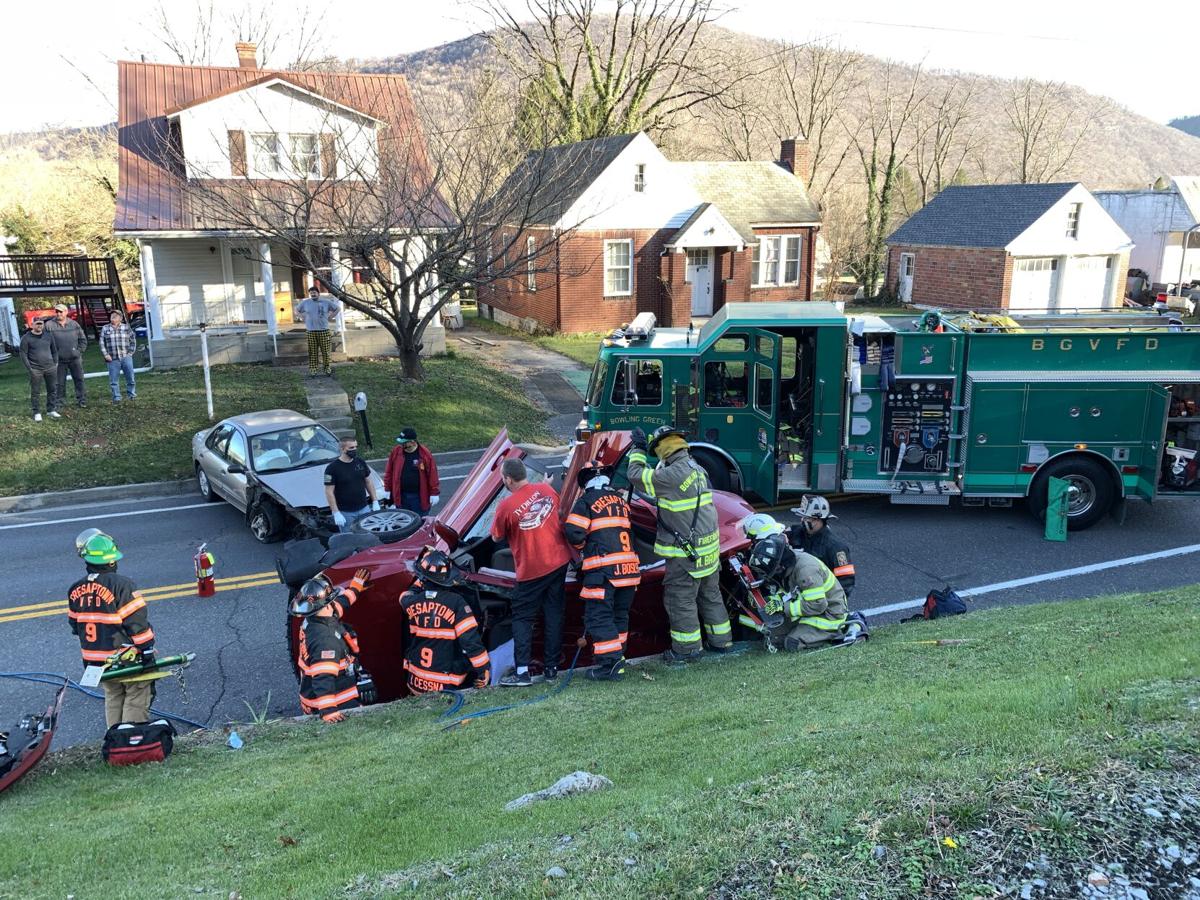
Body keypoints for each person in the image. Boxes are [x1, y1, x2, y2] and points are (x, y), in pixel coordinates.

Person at [627, 426, 732, 661]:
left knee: (680, 600)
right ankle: (722, 643)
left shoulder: (671, 476)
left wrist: (638, 450)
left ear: (663, 449)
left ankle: (687, 650)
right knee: (710, 596)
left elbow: (635, 475)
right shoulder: (697, 468)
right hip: (708, 551)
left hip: (686, 556)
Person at [491, 457, 572, 687]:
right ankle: (551, 669)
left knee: (523, 618)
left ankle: (523, 672)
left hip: (532, 570)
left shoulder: (505, 506)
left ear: (508, 479)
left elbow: (496, 537)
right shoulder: (546, 489)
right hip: (558, 562)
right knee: (553, 613)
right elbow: (557, 511)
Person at [563, 457, 641, 681]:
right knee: (619, 615)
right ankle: (619, 659)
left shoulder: (586, 502)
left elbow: (573, 532)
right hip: (629, 571)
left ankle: (610, 665)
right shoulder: (621, 501)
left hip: (604, 572)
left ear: (585, 483)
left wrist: (583, 548)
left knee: (598, 617)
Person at [67, 531, 157, 726]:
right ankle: (132, 741)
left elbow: (75, 626)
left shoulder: (75, 589)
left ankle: (114, 736)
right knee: (136, 693)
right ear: (111, 562)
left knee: (113, 695)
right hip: (124, 659)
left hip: (95, 661)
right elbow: (137, 624)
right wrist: (147, 651)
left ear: (87, 560)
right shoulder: (122, 586)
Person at [400, 549, 491, 693]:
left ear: (423, 578)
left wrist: (425, 572)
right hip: (445, 685)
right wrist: (483, 669)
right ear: (447, 579)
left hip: (416, 683)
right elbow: (470, 641)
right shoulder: (456, 603)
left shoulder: (410, 601)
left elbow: (406, 594)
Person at [290, 568, 370, 723]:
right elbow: (323, 678)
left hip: (312, 695)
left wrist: (355, 587)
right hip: (337, 701)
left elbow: (342, 604)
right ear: (327, 603)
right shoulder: (325, 640)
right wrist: (329, 711)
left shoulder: (315, 618)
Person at [747, 533, 847, 651]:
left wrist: (783, 607)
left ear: (780, 566)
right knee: (774, 639)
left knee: (792, 643)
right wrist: (770, 601)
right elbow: (792, 593)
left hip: (829, 614)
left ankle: (837, 633)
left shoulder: (806, 570)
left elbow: (818, 605)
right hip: (808, 612)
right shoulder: (788, 564)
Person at [789, 494, 856, 598]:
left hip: (820, 600)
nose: (802, 520)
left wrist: (830, 605)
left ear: (816, 520)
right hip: (800, 592)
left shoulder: (836, 547)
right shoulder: (797, 532)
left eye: (806, 517)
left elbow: (845, 583)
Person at [324, 436, 379, 532]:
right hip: (346, 512)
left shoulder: (360, 462)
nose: (355, 449)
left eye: (356, 447)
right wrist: (336, 512)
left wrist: (375, 501)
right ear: (342, 449)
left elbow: (368, 482)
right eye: (351, 448)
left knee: (368, 535)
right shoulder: (332, 468)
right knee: (349, 539)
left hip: (364, 508)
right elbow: (329, 491)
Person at [383, 427, 440, 515]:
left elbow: (432, 475)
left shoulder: (425, 455)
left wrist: (434, 493)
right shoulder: (396, 452)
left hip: (418, 498)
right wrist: (387, 489)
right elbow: (389, 472)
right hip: (401, 496)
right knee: (403, 523)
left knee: (419, 522)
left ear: (413, 442)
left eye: (404, 443)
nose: (401, 445)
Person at [45, 304, 88, 408]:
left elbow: (83, 340)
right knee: (59, 383)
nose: (59, 313)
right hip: (58, 360)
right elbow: (44, 342)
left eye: (61, 311)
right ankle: (59, 403)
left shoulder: (74, 324)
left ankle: (82, 400)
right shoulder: (49, 325)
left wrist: (78, 351)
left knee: (79, 380)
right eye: (57, 311)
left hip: (75, 359)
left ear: (66, 312)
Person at [19, 316, 59, 422]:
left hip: (50, 367)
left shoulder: (48, 335)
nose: (39, 325)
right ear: (32, 325)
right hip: (35, 369)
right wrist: (30, 368)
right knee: (35, 392)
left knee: (52, 389)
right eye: (37, 323)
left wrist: (55, 363)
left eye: (41, 323)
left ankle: (51, 410)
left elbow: (54, 350)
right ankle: (36, 412)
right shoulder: (26, 338)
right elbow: (23, 354)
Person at [295, 285, 341, 377]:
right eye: (311, 293)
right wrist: (301, 316)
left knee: (326, 352)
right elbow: (296, 310)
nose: (313, 295)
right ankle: (313, 370)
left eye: (314, 293)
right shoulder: (306, 302)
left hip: (324, 331)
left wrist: (331, 316)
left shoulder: (326, 302)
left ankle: (327, 369)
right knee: (313, 352)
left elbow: (338, 308)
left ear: (318, 293)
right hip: (311, 331)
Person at [99, 309, 137, 403]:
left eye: (115, 316)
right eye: (111, 315)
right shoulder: (105, 328)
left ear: (120, 318)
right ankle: (116, 397)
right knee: (113, 381)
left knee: (130, 378)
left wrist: (130, 353)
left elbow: (133, 340)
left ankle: (131, 394)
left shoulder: (126, 327)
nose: (112, 317)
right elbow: (101, 343)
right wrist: (106, 354)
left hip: (125, 357)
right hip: (112, 359)